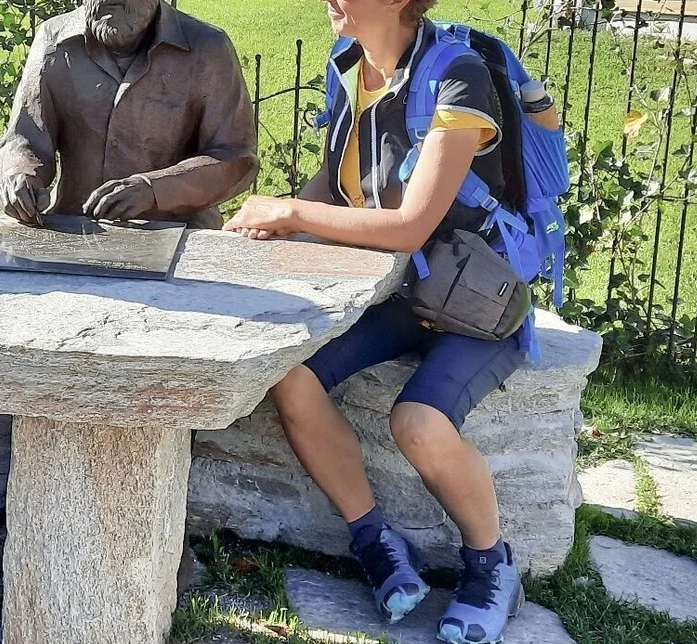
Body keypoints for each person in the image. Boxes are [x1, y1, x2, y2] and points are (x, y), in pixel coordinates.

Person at [223, 0, 560, 641]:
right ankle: (377, 541)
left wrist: (294, 215)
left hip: (475, 300)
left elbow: (410, 227)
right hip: (403, 297)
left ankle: (492, 568)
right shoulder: (349, 63)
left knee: (419, 424)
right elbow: (337, 178)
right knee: (292, 378)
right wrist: (271, 219)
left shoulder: (458, 76)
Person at [0, 0, 259, 229]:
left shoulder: (208, 49)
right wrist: (17, 176)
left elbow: (236, 158)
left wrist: (154, 189)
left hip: (179, 237)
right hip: (75, 232)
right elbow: (24, 138)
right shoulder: (53, 41)